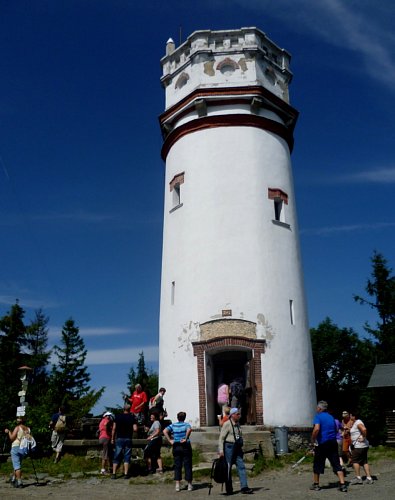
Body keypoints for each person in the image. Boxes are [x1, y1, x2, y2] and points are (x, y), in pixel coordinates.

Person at [310, 401, 347, 492]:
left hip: (323, 443)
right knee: (336, 463)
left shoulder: (318, 417)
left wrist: (313, 439)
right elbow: (336, 429)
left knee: (317, 463)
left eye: (317, 408)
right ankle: (343, 484)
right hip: (333, 442)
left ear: (319, 408)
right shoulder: (331, 417)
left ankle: (316, 484)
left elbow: (317, 429)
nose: (316, 409)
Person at [218, 407, 253, 495]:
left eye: (239, 414)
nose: (239, 416)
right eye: (237, 414)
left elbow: (239, 435)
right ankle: (229, 489)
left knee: (241, 466)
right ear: (232, 415)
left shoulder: (238, 424)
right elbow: (221, 438)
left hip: (237, 448)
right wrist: (221, 450)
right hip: (228, 447)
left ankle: (244, 487)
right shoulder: (227, 424)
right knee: (228, 468)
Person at [163, 411, 193, 492]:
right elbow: (189, 430)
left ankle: (177, 485)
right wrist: (186, 438)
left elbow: (164, 431)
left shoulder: (173, 425)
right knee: (187, 464)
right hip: (185, 445)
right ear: (184, 418)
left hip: (176, 446)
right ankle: (189, 484)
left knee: (177, 465)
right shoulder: (186, 424)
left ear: (177, 417)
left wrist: (170, 440)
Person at [111, 403, 138, 479]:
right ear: (130, 409)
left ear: (123, 409)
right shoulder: (132, 417)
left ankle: (114, 474)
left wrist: (112, 438)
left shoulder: (118, 417)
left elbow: (113, 429)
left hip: (119, 438)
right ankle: (126, 474)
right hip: (128, 438)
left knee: (117, 455)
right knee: (127, 456)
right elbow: (135, 429)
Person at [4, 417, 31, 488]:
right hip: (23, 448)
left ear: (21, 420)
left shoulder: (17, 428)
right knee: (17, 464)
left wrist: (9, 432)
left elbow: (12, 438)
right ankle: (13, 478)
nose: (17, 419)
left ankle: (19, 482)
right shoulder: (28, 429)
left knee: (17, 466)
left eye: (18, 418)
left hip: (16, 447)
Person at [349, 411, 373, 485]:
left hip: (359, 446)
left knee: (355, 461)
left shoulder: (358, 422)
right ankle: (369, 478)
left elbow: (364, 429)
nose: (350, 417)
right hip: (363, 446)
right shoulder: (356, 422)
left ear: (353, 416)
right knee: (364, 461)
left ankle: (358, 478)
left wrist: (363, 437)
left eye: (350, 415)